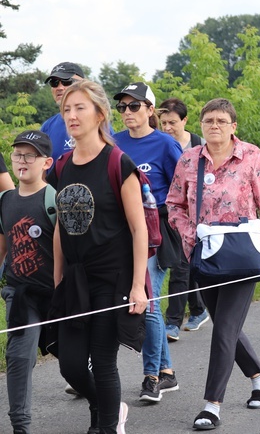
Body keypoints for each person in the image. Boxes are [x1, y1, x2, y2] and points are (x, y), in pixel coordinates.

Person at [166, 98, 260, 430]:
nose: (214, 126)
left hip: (242, 254)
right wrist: (188, 235)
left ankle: (212, 405)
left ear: (233, 126)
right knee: (228, 326)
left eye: (222, 121)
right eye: (209, 120)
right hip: (205, 254)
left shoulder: (251, 156)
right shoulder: (189, 160)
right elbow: (174, 204)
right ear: (201, 125)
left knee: (223, 329)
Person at [49, 80, 148, 434]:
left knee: (103, 362)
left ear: (100, 114)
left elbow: (140, 230)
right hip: (76, 279)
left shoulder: (119, 163)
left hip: (113, 277)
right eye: (67, 109)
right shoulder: (60, 167)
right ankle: (108, 406)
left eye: (80, 108)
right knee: (71, 367)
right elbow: (61, 226)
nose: (72, 115)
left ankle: (107, 426)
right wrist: (58, 278)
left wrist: (138, 286)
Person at [113, 82, 183, 402]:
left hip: (156, 233)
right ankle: (168, 372)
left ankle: (151, 376)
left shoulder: (166, 145)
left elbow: (183, 190)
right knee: (140, 300)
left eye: (134, 106)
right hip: (122, 233)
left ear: (150, 110)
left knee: (148, 302)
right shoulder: (113, 144)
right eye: (123, 107)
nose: (128, 112)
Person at [0, 131, 55, 434]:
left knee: (73, 362)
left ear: (46, 161)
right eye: (17, 154)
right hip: (20, 294)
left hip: (55, 294)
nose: (22, 160)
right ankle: (20, 426)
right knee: (19, 357)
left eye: (29, 155)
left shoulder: (53, 200)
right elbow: (2, 245)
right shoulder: (5, 201)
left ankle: (104, 407)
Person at [157, 97, 208, 342]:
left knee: (180, 266)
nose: (167, 127)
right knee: (186, 265)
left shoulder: (199, 144)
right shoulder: (158, 144)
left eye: (172, 122)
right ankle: (198, 309)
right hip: (165, 212)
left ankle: (172, 323)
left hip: (191, 215)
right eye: (163, 122)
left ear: (184, 120)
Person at [40, 62, 85, 164]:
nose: (60, 88)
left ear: (82, 84)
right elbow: (41, 168)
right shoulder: (47, 127)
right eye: (54, 83)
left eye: (67, 81)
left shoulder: (96, 123)